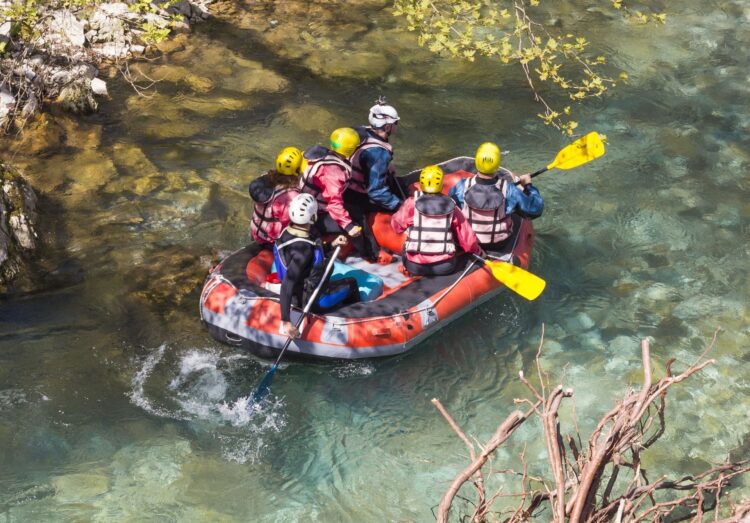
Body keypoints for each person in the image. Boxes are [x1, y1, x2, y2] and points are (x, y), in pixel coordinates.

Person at [275, 194, 361, 338]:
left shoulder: (287, 232)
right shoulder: (303, 251)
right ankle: (354, 321)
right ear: (313, 216)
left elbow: (314, 252)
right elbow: (287, 284)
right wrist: (286, 321)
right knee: (352, 283)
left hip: (301, 290)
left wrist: (333, 244)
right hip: (311, 300)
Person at [449, 142, 544, 253]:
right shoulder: (509, 189)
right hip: (499, 244)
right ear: (497, 164)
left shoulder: (461, 186)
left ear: (477, 162)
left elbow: (451, 206)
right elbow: (535, 209)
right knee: (515, 210)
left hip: (469, 240)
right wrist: (528, 185)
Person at [391, 165, 482, 276]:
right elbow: (467, 238)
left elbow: (396, 226)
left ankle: (405, 267)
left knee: (407, 242)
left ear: (422, 183)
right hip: (445, 266)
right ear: (440, 184)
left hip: (414, 266)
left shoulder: (411, 203)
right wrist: (477, 250)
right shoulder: (451, 205)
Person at [344, 98, 404, 263]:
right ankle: (372, 254)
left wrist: (387, 166)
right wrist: (399, 206)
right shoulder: (379, 153)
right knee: (361, 224)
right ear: (388, 126)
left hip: (346, 182)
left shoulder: (358, 131)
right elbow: (376, 192)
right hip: (354, 195)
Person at [299, 127, 373, 260]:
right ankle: (368, 255)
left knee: (356, 210)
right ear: (350, 149)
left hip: (313, 206)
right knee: (355, 225)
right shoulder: (333, 172)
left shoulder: (326, 155)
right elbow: (334, 204)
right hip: (316, 216)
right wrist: (349, 226)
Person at [248, 146, 303, 246]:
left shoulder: (265, 178)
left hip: (255, 231)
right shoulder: (291, 196)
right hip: (270, 240)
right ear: (297, 170)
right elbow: (289, 223)